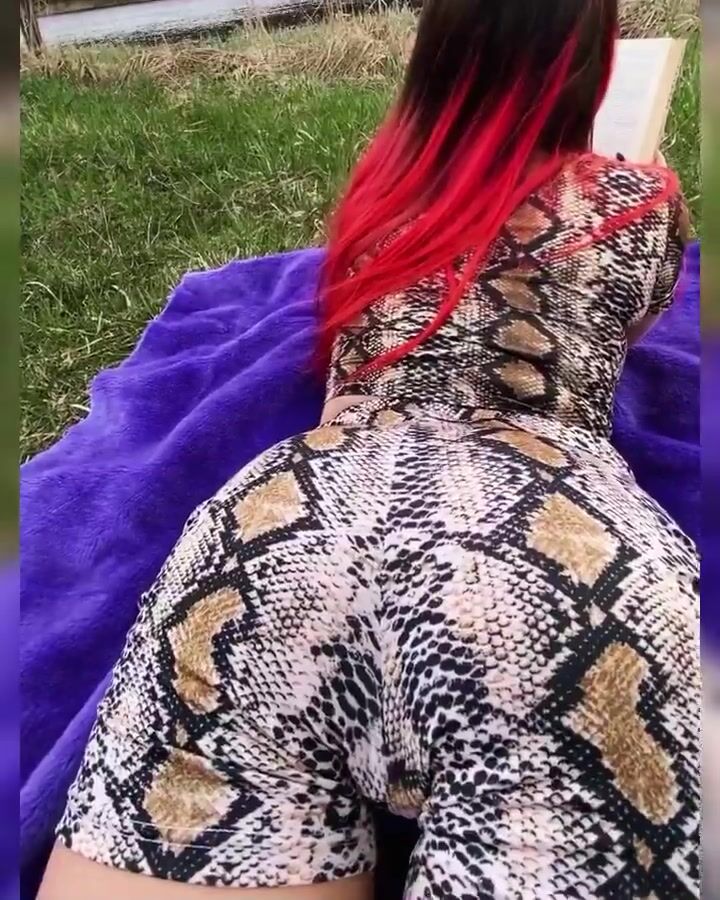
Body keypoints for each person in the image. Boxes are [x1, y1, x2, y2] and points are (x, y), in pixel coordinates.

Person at [39, 0, 700, 897]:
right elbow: (633, 325)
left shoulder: (387, 187)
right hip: (553, 547)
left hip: (290, 526)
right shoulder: (645, 200)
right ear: (591, 64)